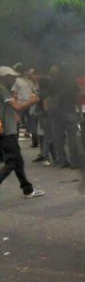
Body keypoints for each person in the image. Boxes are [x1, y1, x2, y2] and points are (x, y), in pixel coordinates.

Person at [0, 66, 44, 198]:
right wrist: (32, 101)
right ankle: (27, 189)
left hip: (4, 130)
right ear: (4, 77)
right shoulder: (2, 89)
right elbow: (18, 106)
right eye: (11, 77)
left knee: (18, 162)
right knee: (12, 162)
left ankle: (27, 189)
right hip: (8, 131)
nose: (14, 79)